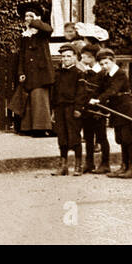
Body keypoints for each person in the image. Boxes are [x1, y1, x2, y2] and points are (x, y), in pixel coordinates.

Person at [91, 47, 132, 178]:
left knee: (128, 139)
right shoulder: (104, 75)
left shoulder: (120, 74)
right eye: (101, 64)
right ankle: (124, 166)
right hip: (116, 110)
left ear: (113, 61)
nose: (104, 66)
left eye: (107, 63)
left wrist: (98, 100)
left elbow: (112, 90)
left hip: (127, 110)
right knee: (121, 138)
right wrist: (91, 97)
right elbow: (98, 89)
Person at [11, 1, 54, 134]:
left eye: (30, 16)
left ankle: (41, 128)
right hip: (29, 74)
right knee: (28, 100)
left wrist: (35, 21)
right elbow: (22, 56)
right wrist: (21, 72)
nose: (27, 19)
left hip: (41, 74)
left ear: (36, 17)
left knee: (39, 99)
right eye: (26, 16)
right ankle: (28, 128)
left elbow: (49, 29)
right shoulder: (25, 36)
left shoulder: (42, 33)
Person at [75, 45, 111, 174]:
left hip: (99, 109)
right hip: (88, 110)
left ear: (93, 58)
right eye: (83, 56)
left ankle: (105, 163)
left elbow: (106, 92)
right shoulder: (85, 72)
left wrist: (102, 107)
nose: (83, 58)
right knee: (88, 137)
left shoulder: (102, 73)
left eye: (86, 56)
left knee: (101, 137)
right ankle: (89, 163)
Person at [51, 43, 82, 175]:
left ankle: (78, 165)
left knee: (74, 136)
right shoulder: (57, 73)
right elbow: (54, 92)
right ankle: (63, 165)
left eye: (68, 56)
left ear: (75, 57)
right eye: (63, 56)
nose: (65, 59)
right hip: (59, 108)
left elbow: (81, 93)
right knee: (62, 136)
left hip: (72, 108)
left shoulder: (79, 74)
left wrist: (78, 108)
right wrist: (53, 110)